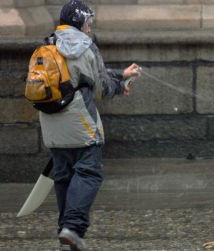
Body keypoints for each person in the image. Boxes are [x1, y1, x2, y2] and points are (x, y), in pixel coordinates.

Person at [38, 1, 141, 250]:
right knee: (89, 172)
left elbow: (81, 76)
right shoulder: (86, 46)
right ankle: (73, 228)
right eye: (88, 22)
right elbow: (100, 87)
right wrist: (121, 86)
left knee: (64, 176)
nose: (89, 27)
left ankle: (66, 233)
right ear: (81, 21)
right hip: (80, 120)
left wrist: (121, 75)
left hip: (52, 122)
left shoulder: (48, 44)